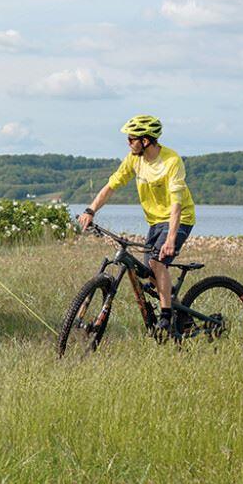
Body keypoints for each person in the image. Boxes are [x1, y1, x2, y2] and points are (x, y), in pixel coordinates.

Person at [77, 115, 196, 338]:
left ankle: (166, 317)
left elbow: (177, 204)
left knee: (157, 262)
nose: (128, 142)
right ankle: (183, 317)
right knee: (150, 272)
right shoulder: (134, 159)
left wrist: (170, 239)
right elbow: (111, 185)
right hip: (154, 221)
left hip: (179, 218)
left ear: (147, 140)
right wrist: (91, 210)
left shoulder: (171, 161)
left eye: (132, 138)